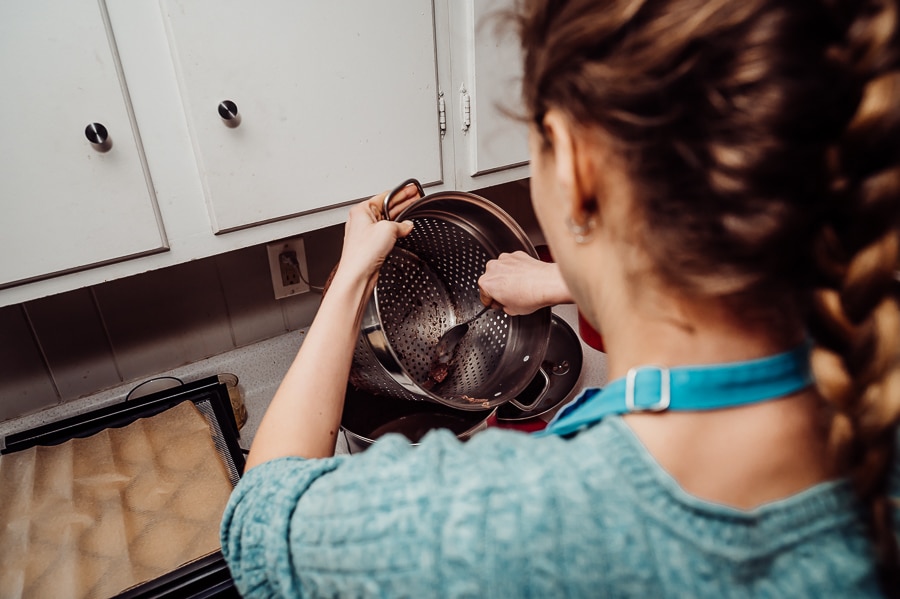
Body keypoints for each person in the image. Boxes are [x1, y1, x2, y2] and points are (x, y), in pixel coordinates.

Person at [221, 0, 900, 596]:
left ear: (575, 165)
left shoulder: (517, 522)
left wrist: (348, 279)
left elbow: (258, 523)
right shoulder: (871, 382)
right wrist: (564, 279)